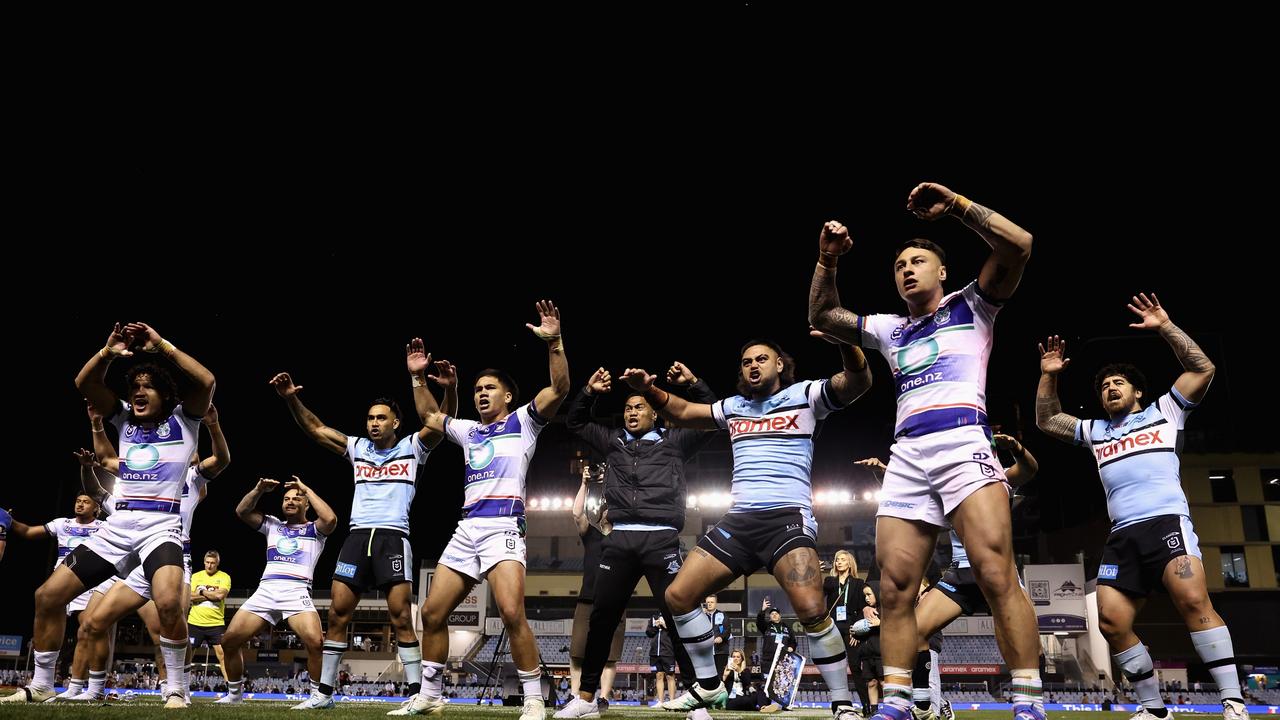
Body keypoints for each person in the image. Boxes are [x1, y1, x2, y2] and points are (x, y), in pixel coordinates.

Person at [808, 183, 1041, 720]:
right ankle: (895, 702)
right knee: (893, 587)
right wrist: (827, 259)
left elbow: (1020, 245)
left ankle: (1028, 702)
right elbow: (823, 314)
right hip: (909, 454)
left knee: (994, 570)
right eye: (899, 265)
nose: (907, 269)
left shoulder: (974, 304)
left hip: (963, 441)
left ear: (942, 272)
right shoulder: (892, 329)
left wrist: (958, 206)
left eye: (919, 260)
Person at [621, 336, 871, 720]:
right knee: (678, 596)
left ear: (780, 365)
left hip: (786, 517)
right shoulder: (734, 407)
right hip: (739, 521)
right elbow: (686, 411)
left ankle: (842, 703)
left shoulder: (806, 395)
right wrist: (649, 390)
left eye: (761, 359)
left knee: (811, 608)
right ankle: (708, 685)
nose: (752, 366)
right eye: (745, 362)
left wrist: (844, 341)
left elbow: (858, 383)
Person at [1035, 293, 1248, 720]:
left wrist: (1165, 327)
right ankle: (1153, 709)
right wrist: (1049, 376)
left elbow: (1202, 368)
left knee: (1192, 600)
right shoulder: (1095, 430)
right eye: (1103, 386)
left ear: (1137, 391)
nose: (1109, 388)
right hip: (1122, 535)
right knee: (1111, 622)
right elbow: (1047, 420)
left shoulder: (1165, 412)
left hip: (1165, 522)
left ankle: (1233, 702)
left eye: (1118, 383)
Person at [4, 323, 215, 708]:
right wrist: (106, 352)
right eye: (134, 386)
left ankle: (176, 688)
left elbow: (206, 379)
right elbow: (84, 383)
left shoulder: (185, 421)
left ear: (165, 394)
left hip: (161, 528)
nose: (138, 391)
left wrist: (161, 346)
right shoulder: (123, 421)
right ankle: (43, 684)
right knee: (47, 597)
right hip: (116, 528)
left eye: (147, 386)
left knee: (168, 604)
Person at [402, 300, 570, 720]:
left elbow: (560, 390)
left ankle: (534, 698)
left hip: (503, 525)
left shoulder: (524, 421)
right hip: (467, 528)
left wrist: (555, 343)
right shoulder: (471, 430)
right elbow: (428, 413)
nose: (481, 393)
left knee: (512, 612)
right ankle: (431, 694)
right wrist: (418, 376)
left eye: (489, 387)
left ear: (508, 395)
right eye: (477, 388)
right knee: (432, 612)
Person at [270, 345, 457, 712]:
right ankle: (323, 693)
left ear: (395, 422)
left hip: (392, 537)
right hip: (357, 538)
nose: (373, 423)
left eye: (381, 418)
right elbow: (316, 429)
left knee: (401, 616)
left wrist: (445, 388)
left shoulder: (413, 447)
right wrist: (292, 400)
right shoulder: (357, 448)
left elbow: (441, 420)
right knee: (338, 614)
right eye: (370, 418)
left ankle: (418, 694)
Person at [555, 361, 715, 720]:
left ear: (655, 412)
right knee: (602, 619)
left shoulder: (675, 443)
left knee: (678, 619)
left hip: (662, 540)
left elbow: (710, 417)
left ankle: (695, 699)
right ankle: (585, 698)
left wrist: (693, 383)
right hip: (621, 539)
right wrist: (589, 392)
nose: (631, 412)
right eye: (627, 408)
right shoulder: (613, 443)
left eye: (639, 406)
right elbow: (576, 422)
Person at [71, 402, 228, 703]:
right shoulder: (139, 477)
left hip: (173, 555)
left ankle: (176, 687)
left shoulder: (194, 480)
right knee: (92, 623)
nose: (186, 448)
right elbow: (100, 494)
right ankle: (93, 691)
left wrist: (212, 425)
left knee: (172, 623)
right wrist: (90, 463)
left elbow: (221, 459)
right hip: (138, 561)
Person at [217, 476, 338, 704]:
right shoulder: (273, 525)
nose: (290, 502)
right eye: (286, 498)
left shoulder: (315, 529)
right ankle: (234, 696)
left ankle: (317, 697)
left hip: (296, 591)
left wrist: (306, 488)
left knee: (315, 642)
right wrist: (258, 489)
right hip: (266, 591)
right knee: (229, 641)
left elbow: (330, 518)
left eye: (296, 498)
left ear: (306, 504)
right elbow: (242, 511)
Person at [4, 490, 114, 701]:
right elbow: (27, 532)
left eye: (86, 502)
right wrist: (9, 521)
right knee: (45, 627)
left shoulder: (104, 527)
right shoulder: (62, 523)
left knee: (89, 630)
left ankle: (84, 687)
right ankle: (43, 683)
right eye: (78, 500)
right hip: (63, 582)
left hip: (91, 583)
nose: (80, 504)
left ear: (96, 508)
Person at [564, 464, 624, 711]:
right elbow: (577, 514)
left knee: (610, 658)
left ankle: (604, 698)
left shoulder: (625, 540)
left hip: (615, 603)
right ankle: (575, 696)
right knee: (577, 654)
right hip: (586, 601)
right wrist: (585, 484)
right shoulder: (593, 536)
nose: (609, 512)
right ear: (600, 514)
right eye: (606, 508)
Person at [825, 549, 873, 713]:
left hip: (851, 630)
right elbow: (817, 593)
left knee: (855, 667)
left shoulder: (859, 583)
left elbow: (862, 610)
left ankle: (866, 705)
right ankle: (839, 704)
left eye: (843, 559)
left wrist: (858, 632)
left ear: (849, 563)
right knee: (835, 669)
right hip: (833, 629)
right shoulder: (830, 582)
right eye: (837, 559)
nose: (839, 562)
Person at [188, 550, 230, 680]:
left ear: (217, 563)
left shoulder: (224, 577)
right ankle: (182, 687)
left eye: (213, 563)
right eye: (207, 562)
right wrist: (211, 596)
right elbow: (189, 596)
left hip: (216, 624)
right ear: (204, 562)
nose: (209, 565)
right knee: (187, 656)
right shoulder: (195, 576)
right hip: (195, 622)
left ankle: (231, 689)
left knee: (222, 655)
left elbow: (220, 596)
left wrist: (201, 592)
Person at [757, 596, 797, 709]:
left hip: (782, 661)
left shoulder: (787, 628)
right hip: (768, 661)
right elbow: (759, 622)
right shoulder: (766, 627)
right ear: (769, 616)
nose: (774, 615)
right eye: (772, 613)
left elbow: (793, 642)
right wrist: (763, 610)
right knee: (765, 683)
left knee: (782, 684)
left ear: (780, 615)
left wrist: (791, 648)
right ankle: (764, 705)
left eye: (776, 613)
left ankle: (784, 705)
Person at [647, 612, 678, 707]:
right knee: (658, 676)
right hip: (655, 653)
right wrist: (656, 626)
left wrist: (665, 625)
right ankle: (660, 701)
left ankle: (672, 701)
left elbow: (676, 633)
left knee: (670, 676)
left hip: (668, 652)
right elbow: (649, 633)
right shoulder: (654, 617)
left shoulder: (673, 616)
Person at [704, 595, 733, 679]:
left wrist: (721, 637)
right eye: (708, 602)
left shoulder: (722, 615)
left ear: (716, 603)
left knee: (720, 676)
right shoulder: (702, 616)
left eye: (712, 602)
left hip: (720, 652)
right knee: (708, 677)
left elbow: (727, 630)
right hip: (705, 652)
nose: (709, 604)